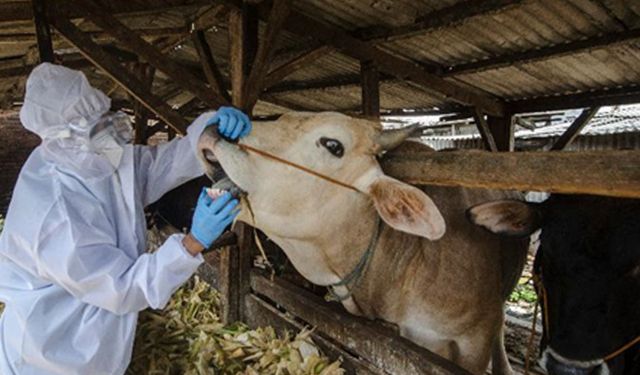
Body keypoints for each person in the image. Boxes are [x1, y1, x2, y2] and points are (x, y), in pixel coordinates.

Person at [0, 63, 252, 375]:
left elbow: (157, 167)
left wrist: (206, 132)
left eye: (104, 117)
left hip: (100, 341)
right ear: (63, 137)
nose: (108, 132)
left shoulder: (90, 153)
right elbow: (122, 288)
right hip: (53, 355)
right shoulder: (53, 216)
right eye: (94, 127)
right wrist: (192, 242)